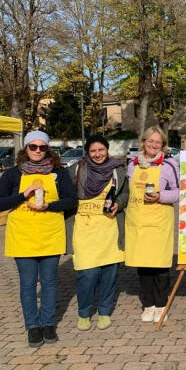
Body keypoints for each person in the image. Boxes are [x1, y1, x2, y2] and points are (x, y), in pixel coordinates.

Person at [0, 131, 77, 347]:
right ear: (25, 148)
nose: (37, 151)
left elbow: (72, 201)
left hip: (50, 235)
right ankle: (32, 327)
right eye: (33, 147)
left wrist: (50, 206)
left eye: (42, 147)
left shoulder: (59, 173)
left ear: (48, 149)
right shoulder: (13, 174)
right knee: (28, 284)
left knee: (49, 283)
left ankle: (48, 324)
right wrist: (23, 194)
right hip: (22, 237)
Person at [67, 135, 128, 331]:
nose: (98, 154)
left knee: (109, 274)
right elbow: (64, 192)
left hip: (109, 227)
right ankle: (84, 313)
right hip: (84, 228)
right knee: (88, 274)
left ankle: (104, 311)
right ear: (88, 152)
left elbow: (125, 193)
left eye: (101, 150)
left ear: (107, 150)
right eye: (93, 151)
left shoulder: (118, 169)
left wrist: (119, 204)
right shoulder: (75, 170)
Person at [125, 126, 179, 323]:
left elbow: (180, 190)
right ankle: (148, 305)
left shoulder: (169, 165)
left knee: (160, 267)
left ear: (162, 146)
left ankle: (161, 305)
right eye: (150, 141)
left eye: (158, 142)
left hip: (159, 223)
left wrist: (161, 196)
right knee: (144, 267)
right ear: (144, 143)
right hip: (138, 221)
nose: (154, 145)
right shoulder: (132, 165)